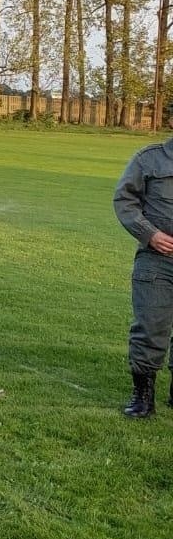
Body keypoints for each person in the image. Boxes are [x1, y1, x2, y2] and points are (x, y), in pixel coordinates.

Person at [114, 133, 173, 418]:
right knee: (150, 327)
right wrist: (150, 234)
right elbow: (125, 199)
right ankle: (143, 396)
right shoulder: (149, 159)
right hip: (156, 261)